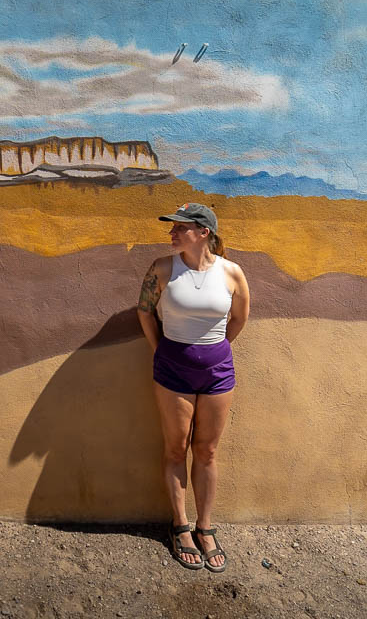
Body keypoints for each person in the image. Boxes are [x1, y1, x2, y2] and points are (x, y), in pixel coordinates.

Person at [136, 203, 250, 572]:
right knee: (175, 447)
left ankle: (205, 527)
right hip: (172, 373)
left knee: (207, 450)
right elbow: (144, 311)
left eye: (179, 228)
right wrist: (162, 351)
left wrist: (215, 349)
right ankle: (181, 526)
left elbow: (239, 317)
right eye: (171, 228)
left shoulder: (231, 272)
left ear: (203, 232)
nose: (171, 234)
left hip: (218, 373)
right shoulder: (162, 269)